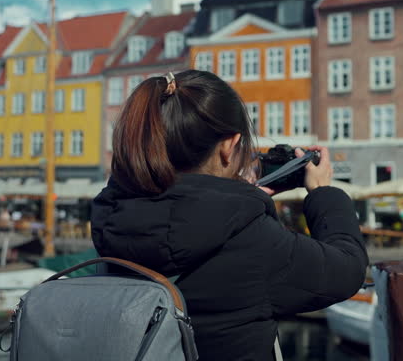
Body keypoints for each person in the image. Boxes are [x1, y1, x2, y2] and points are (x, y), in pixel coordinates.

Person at [92, 70, 367, 361]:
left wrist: (237, 201)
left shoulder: (112, 219)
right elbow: (346, 270)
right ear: (228, 147)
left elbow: (178, 214)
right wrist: (323, 192)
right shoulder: (250, 240)